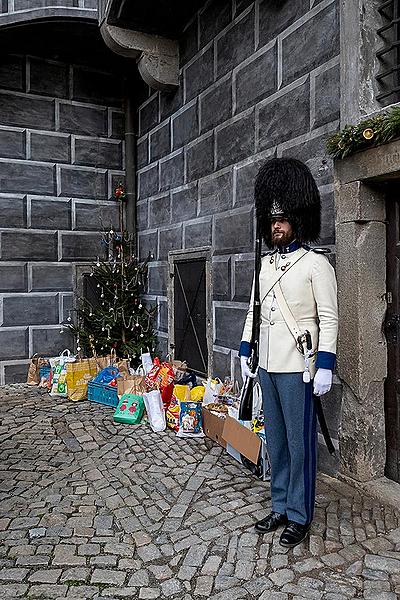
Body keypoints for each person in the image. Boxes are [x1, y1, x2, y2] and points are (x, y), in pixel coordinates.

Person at [239, 157, 338, 548]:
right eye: (272, 220)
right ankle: (279, 505)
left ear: (297, 220)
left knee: (300, 444)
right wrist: (247, 352)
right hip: (266, 364)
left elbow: (329, 318)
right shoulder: (263, 265)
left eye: (282, 219)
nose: (276, 226)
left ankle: (299, 513)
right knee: (276, 441)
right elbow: (254, 311)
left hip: (300, 368)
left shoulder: (316, 265)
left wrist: (326, 365)